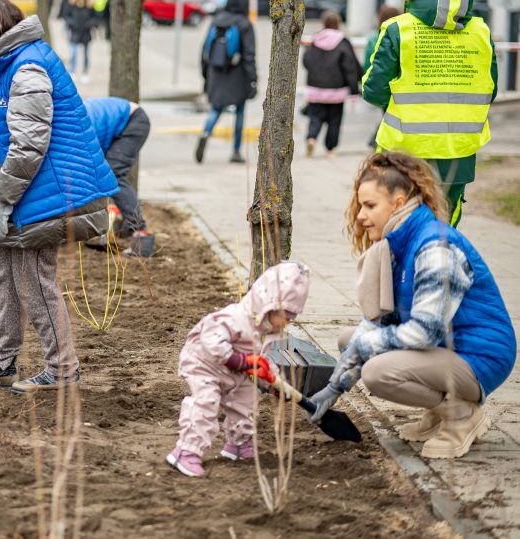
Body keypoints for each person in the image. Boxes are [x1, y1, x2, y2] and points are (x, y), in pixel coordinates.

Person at [0, 0, 118, 392]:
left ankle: (62, 370)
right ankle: (0, 361)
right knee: (5, 278)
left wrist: (3, 196)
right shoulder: (8, 63)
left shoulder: (26, 67)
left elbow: (29, 147)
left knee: (34, 281)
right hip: (21, 191)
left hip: (44, 194)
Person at [307, 152, 515, 459]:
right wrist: (335, 387)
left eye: (370, 206)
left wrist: (364, 349)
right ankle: (438, 412)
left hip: (479, 355)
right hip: (448, 347)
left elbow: (423, 333)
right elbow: (382, 323)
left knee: (379, 372)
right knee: (349, 340)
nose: (361, 216)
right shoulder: (399, 242)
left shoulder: (434, 248)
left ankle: (461, 416)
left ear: (398, 202)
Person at [362, 0, 497, 227]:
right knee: (443, 229)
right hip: (459, 151)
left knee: (400, 224)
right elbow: (490, 90)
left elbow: (373, 89)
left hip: (403, 151)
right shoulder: (481, 32)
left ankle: (404, 271)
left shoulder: (397, 29)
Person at [166, 262, 311, 477]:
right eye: (286, 315)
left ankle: (239, 444)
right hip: (204, 365)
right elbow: (210, 340)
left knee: (247, 400)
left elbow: (261, 362)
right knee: (206, 402)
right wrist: (236, 360)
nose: (288, 322)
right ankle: (186, 451)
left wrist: (274, 382)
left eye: (292, 317)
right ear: (268, 305)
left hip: (237, 370)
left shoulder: (268, 331)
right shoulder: (234, 317)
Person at [196, 0, 257, 164]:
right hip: (237, 75)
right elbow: (249, 56)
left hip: (216, 72)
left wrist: (205, 75)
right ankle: (236, 151)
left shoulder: (216, 21)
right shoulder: (244, 24)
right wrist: (253, 80)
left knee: (216, 108)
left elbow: (204, 51)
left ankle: (206, 132)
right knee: (239, 111)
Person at [83, 97, 150, 238]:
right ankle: (122, 224)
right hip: (118, 122)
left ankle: (139, 230)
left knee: (114, 174)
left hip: (133, 120)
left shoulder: (78, 131)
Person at [302, 11, 363, 158]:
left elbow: (307, 60)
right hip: (337, 90)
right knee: (334, 120)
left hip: (316, 88)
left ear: (323, 23)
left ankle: (311, 138)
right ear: (338, 23)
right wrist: (355, 88)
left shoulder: (316, 40)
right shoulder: (343, 42)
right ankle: (330, 149)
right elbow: (351, 67)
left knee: (315, 117)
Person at [363, 4, 402, 148]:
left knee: (387, 113)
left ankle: (378, 140)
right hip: (400, 82)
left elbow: (368, 61)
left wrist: (368, 77)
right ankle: (378, 140)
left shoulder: (374, 36)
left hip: (381, 81)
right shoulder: (401, 34)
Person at [62, 0, 95, 83]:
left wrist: (90, 24)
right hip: (75, 32)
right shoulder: (72, 4)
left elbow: (95, 17)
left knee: (86, 54)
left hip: (86, 33)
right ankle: (72, 71)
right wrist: (72, 23)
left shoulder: (90, 5)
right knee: (73, 53)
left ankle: (85, 73)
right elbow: (66, 15)